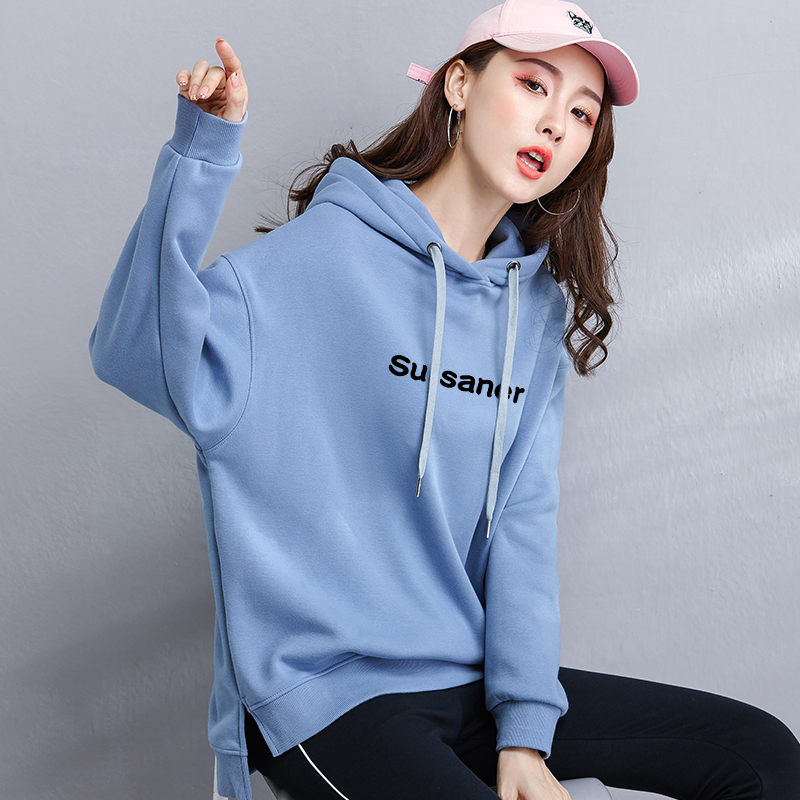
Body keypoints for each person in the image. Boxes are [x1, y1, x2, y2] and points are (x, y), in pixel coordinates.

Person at [89, 1, 800, 798]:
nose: (555, 124)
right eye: (533, 85)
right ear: (459, 85)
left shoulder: (533, 311)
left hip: (463, 679)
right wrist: (200, 153)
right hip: (325, 692)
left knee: (763, 755)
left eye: (581, 112)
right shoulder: (318, 261)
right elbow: (134, 351)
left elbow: (521, 528)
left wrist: (525, 732)